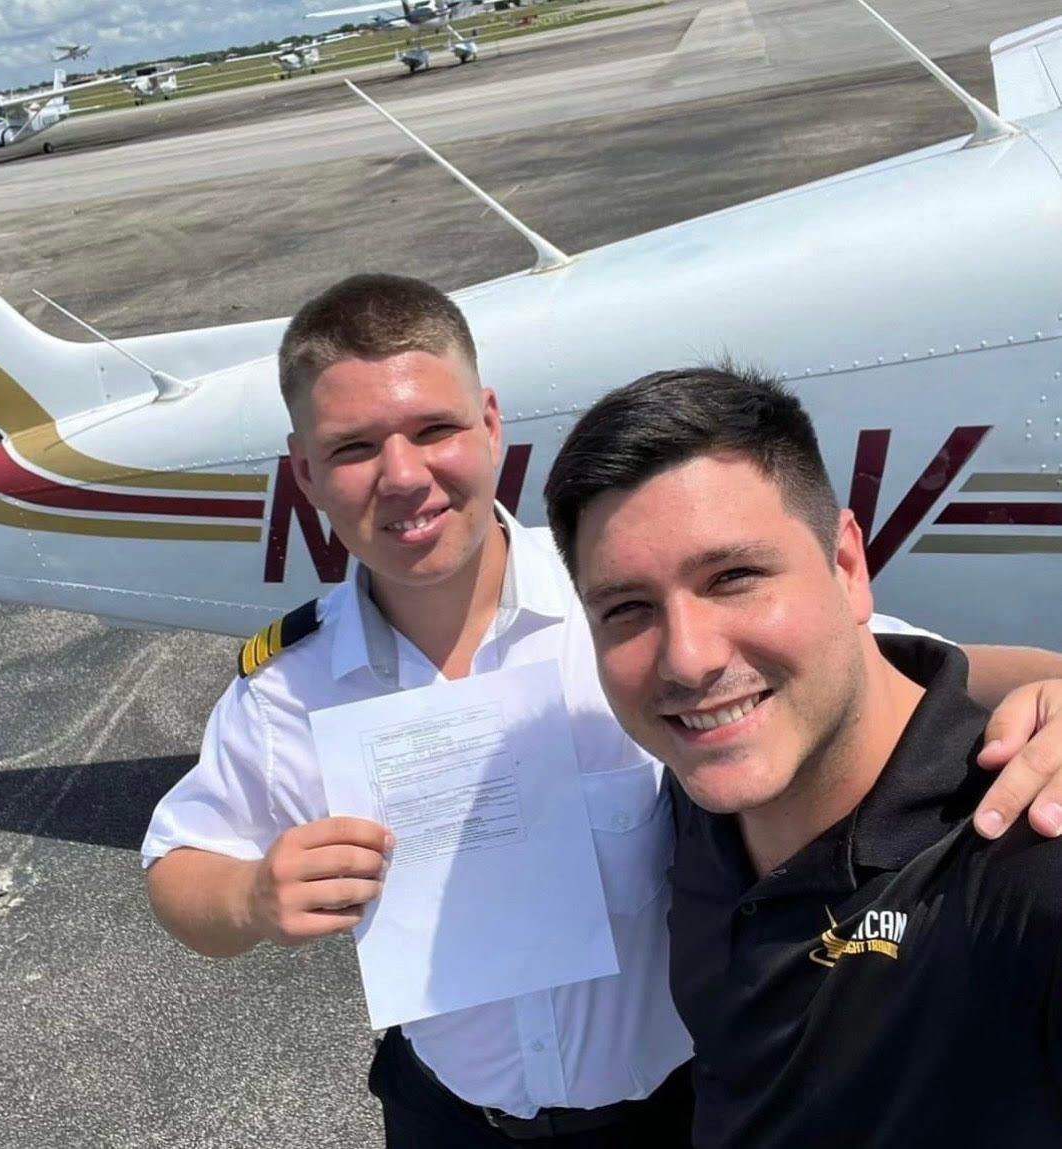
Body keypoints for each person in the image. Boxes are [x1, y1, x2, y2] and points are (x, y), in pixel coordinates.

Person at [143, 278, 1062, 1148]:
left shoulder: (631, 598)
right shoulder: (289, 689)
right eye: (353, 448)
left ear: (492, 423)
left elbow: (887, 662)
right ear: (305, 473)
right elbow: (178, 864)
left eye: (435, 428)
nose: (404, 476)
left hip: (672, 1106)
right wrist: (252, 897)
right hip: (450, 1114)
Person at [543, 365, 1062, 1148]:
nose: (686, 659)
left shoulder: (1024, 858)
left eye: (734, 577)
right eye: (627, 608)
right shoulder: (698, 793)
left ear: (848, 565)